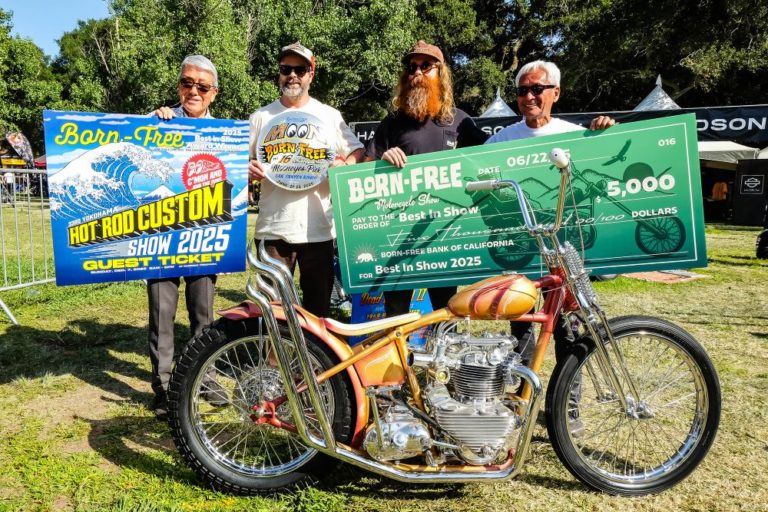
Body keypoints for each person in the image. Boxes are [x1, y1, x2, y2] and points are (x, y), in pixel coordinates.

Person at [486, 60, 614, 434]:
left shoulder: (577, 135)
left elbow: (606, 167)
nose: (529, 96)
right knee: (522, 331)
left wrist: (605, 134)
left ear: (555, 93)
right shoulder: (499, 141)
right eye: (522, 90)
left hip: (564, 252)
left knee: (570, 332)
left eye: (537, 89)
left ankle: (567, 410)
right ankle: (520, 404)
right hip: (522, 251)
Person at [366, 40, 487, 317]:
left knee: (446, 313)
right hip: (399, 236)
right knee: (395, 314)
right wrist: (382, 162)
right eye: (412, 67)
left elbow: (489, 159)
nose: (417, 72)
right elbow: (364, 171)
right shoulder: (392, 122)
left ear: (440, 73)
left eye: (426, 66)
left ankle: (441, 348)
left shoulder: (460, 121)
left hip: (444, 235)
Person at [247, 42, 365, 317]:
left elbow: (357, 151)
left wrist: (344, 166)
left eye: (300, 70)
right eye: (285, 69)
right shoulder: (260, 117)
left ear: (311, 74)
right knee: (273, 313)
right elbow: (237, 161)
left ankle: (313, 350)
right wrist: (247, 167)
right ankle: (275, 350)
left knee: (317, 314)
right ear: (279, 73)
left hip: (318, 231)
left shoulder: (329, 115)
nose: (292, 75)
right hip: (273, 230)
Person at [149, 55, 222, 421]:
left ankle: (204, 378)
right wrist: (151, 123)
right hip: (161, 236)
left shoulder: (225, 133)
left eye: (202, 86)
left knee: (203, 314)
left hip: (204, 236)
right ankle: (164, 388)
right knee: (162, 314)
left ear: (214, 93)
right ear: (178, 86)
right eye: (186, 83)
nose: (193, 91)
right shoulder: (157, 122)